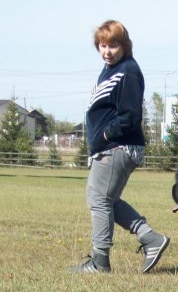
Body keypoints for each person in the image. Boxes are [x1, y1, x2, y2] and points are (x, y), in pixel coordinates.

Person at [70, 19, 169, 274]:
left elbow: (130, 115)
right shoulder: (110, 69)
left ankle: (100, 262)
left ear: (124, 45)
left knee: (99, 200)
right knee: (106, 200)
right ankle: (151, 238)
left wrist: (104, 135)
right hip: (109, 147)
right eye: (103, 45)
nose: (107, 51)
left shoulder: (128, 71)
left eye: (113, 45)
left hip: (117, 147)